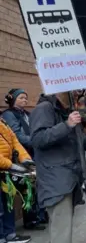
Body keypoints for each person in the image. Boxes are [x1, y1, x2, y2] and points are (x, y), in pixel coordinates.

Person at [30, 91, 86, 243]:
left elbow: (77, 140)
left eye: (79, 90)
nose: (77, 93)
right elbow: (38, 139)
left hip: (68, 178)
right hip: (56, 179)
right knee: (62, 232)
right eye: (74, 90)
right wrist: (67, 125)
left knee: (61, 229)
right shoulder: (44, 108)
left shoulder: (66, 110)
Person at [2, 88, 47, 230]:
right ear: (12, 99)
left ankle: (38, 216)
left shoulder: (27, 114)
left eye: (25, 98)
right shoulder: (9, 115)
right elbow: (18, 137)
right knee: (27, 189)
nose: (24, 100)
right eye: (21, 97)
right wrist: (38, 141)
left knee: (35, 186)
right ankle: (30, 220)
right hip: (20, 157)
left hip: (29, 154)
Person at [0, 117, 33, 243]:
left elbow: (14, 141)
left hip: (4, 170)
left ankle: (10, 235)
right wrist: (11, 165)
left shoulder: (3, 121)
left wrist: (24, 158)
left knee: (8, 203)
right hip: (6, 166)